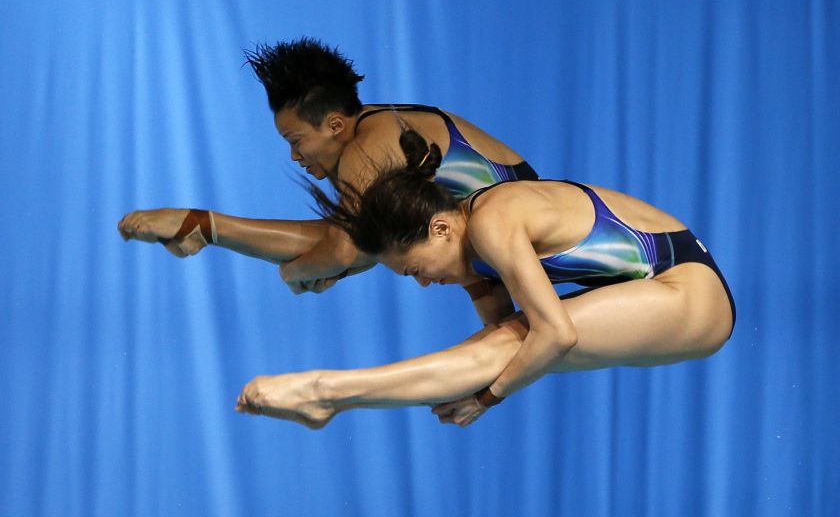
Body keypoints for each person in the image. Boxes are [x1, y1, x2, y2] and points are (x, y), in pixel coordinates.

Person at [235, 144, 735, 428]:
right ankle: (330, 398)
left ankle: (327, 391)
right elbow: (494, 339)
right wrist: (481, 380)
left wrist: (488, 398)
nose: (426, 284)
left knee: (514, 342)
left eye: (415, 271)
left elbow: (555, 335)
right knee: (500, 342)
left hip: (690, 292)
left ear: (441, 228)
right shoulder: (470, 241)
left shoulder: (495, 221)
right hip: (661, 291)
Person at [117, 38, 538, 296]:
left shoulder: (368, 148)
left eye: (295, 141)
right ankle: (204, 226)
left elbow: (345, 249)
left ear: (335, 124)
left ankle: (204, 225)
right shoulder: (365, 141)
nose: (294, 157)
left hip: (549, 257)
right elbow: (363, 248)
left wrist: (294, 274)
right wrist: (331, 267)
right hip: (502, 269)